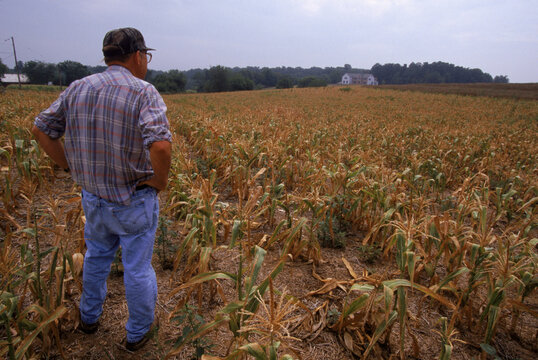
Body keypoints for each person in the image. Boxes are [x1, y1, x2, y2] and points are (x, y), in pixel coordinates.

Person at [32, 27, 171, 351]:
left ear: (107, 56)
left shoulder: (78, 87)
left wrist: (69, 166)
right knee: (137, 270)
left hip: (94, 198)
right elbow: (161, 148)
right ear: (137, 56)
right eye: (146, 56)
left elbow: (41, 130)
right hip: (133, 198)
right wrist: (160, 182)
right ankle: (137, 334)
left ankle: (89, 319)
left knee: (96, 258)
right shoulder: (143, 91)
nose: (146, 63)